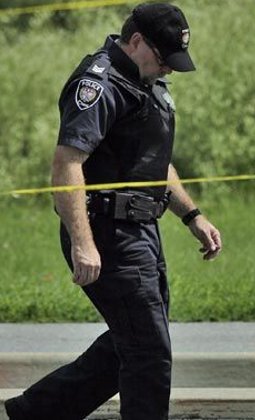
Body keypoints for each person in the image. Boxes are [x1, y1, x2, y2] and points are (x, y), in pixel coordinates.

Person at [4, 3, 222, 419]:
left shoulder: (146, 81)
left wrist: (192, 216)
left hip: (142, 231)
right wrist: (83, 244)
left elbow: (154, 162)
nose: (169, 69)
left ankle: (36, 412)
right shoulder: (99, 85)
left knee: (134, 340)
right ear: (136, 41)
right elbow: (67, 164)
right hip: (107, 232)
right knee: (148, 351)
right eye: (164, 59)